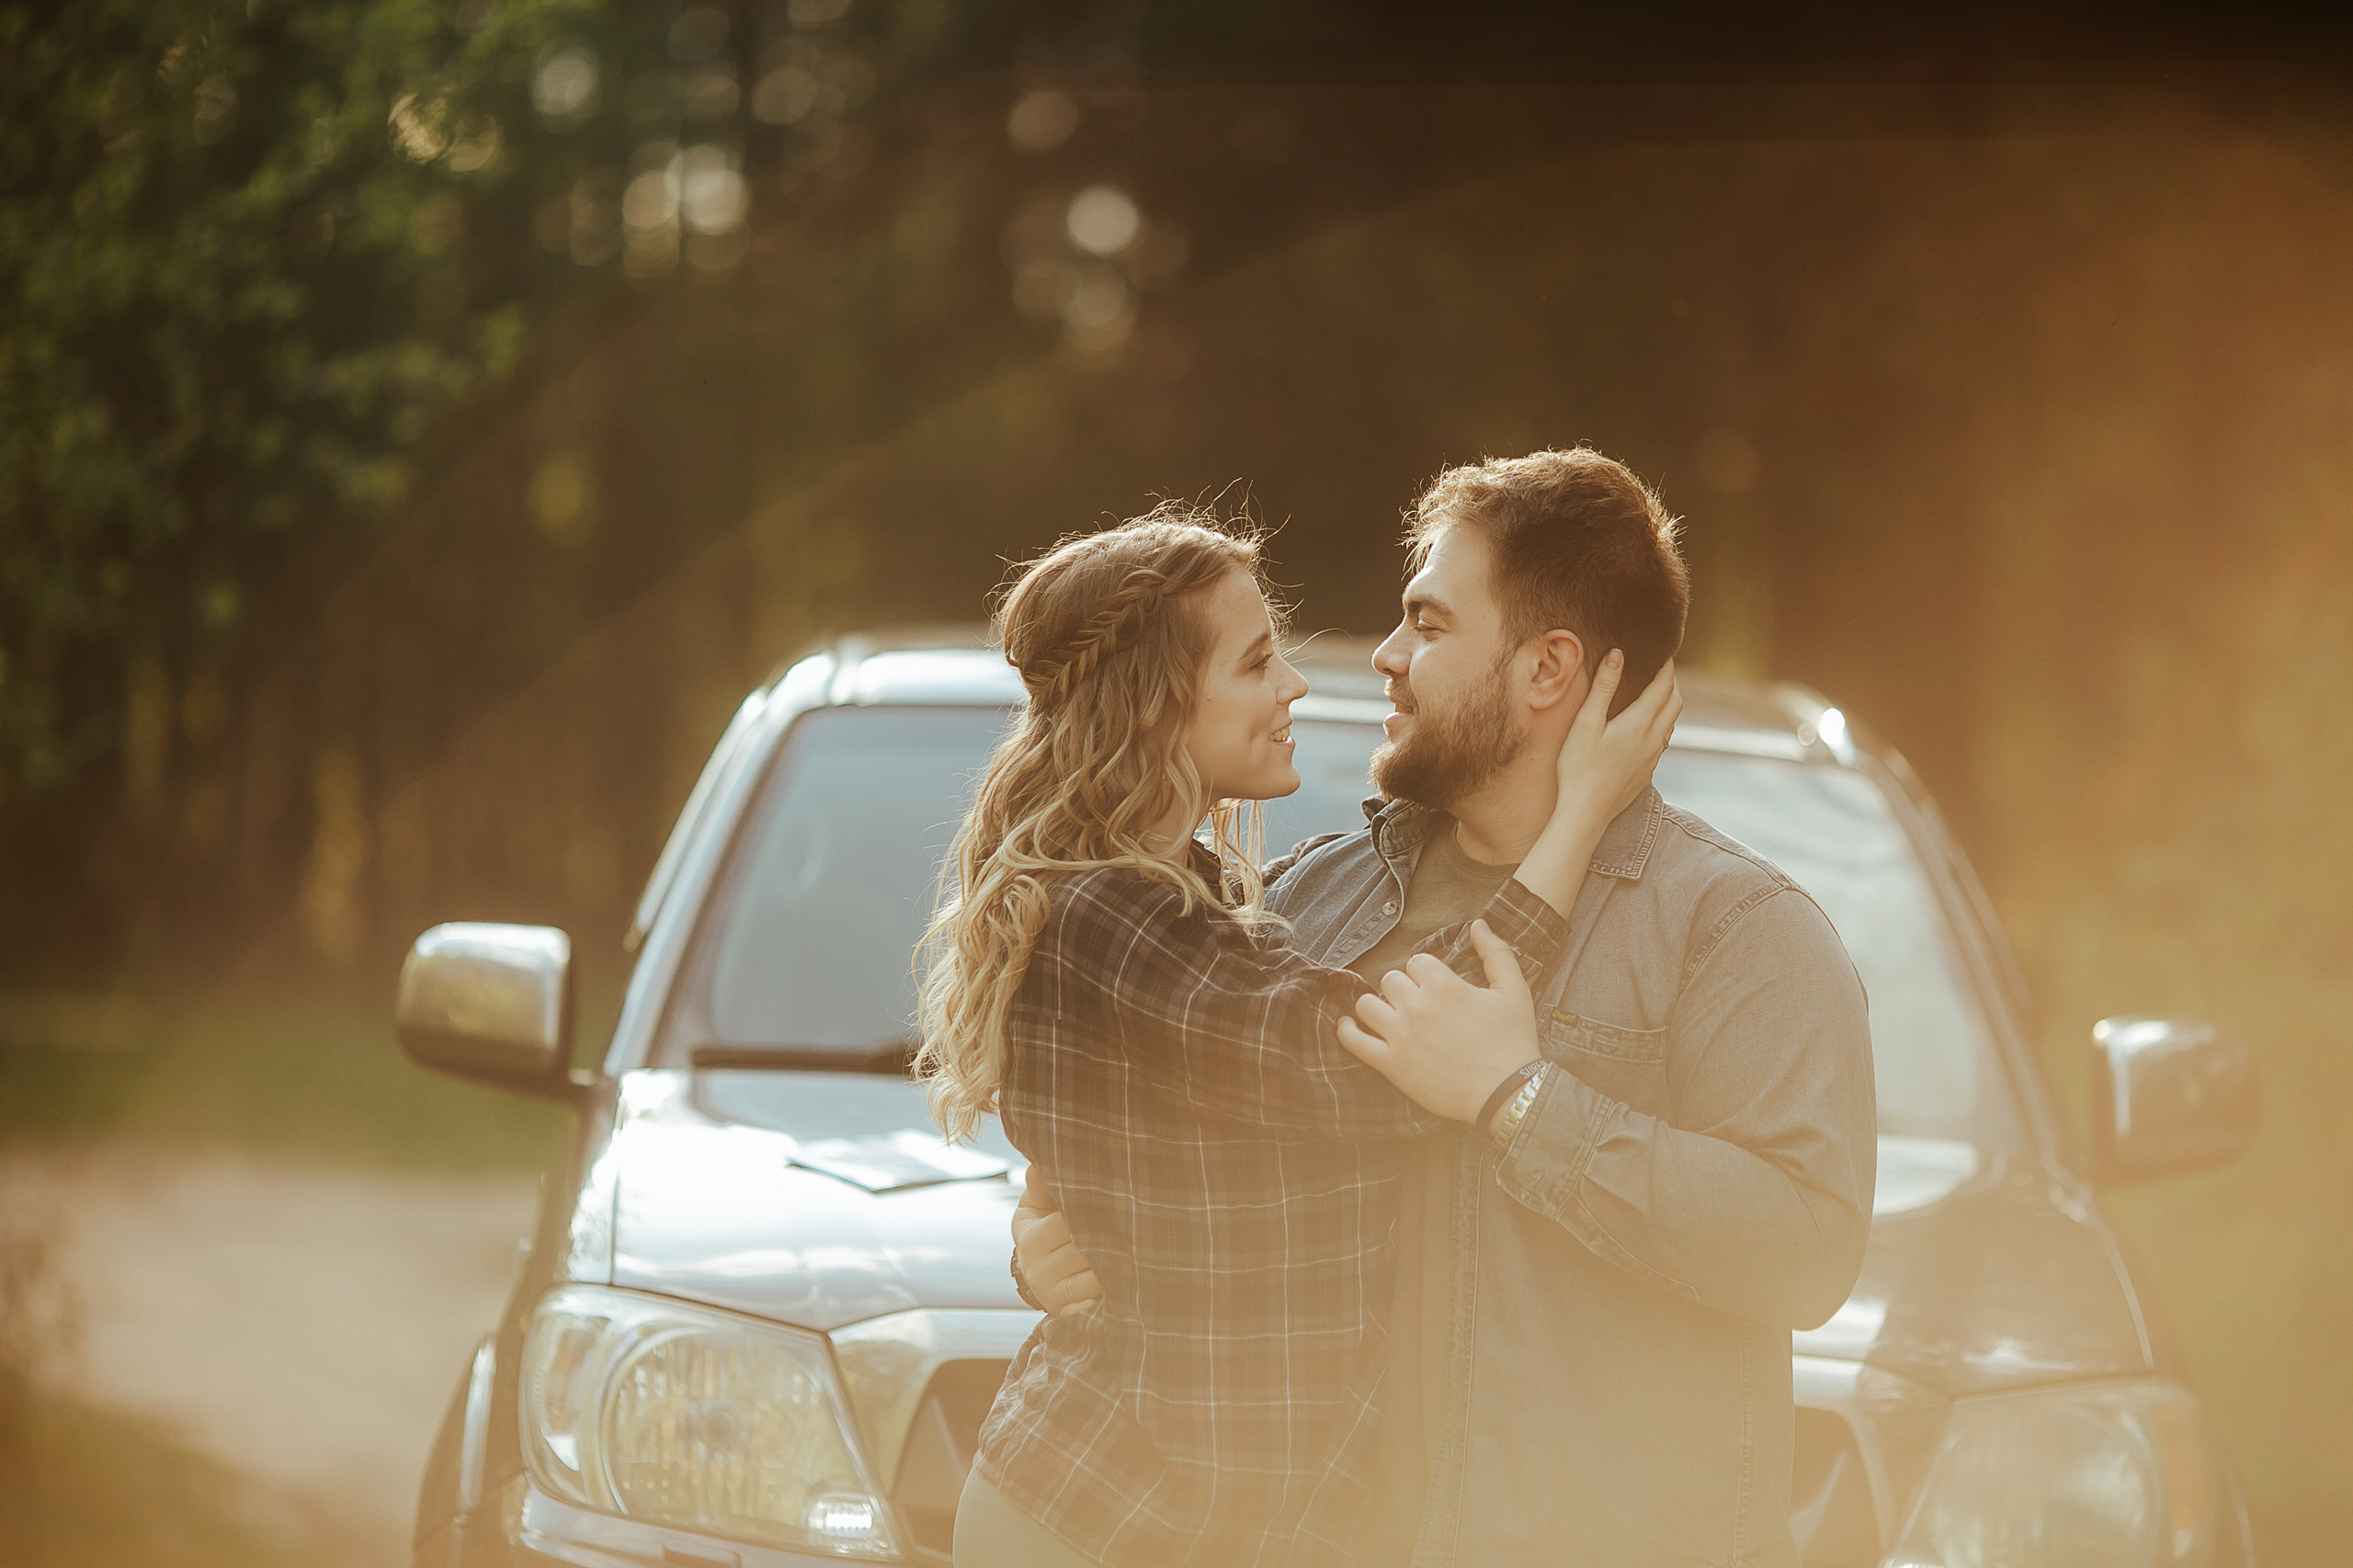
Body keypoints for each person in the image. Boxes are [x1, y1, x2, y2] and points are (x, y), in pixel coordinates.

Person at [1017, 449, 1878, 1566]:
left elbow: (1806, 1250)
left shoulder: (1735, 930)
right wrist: (1060, 1236)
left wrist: (1523, 1103)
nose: (1381, 658)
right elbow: (1179, 1157)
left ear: (1545, 669)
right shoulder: (1308, 900)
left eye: (1426, 623)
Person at [915, 505, 1680, 1568]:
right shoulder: (1115, 917)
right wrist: (1577, 821)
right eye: (1257, 661)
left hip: (1214, 1522)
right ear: (1158, 698)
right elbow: (1366, 1065)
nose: (1297, 686)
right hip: (1100, 1513)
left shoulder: (1195, 897)